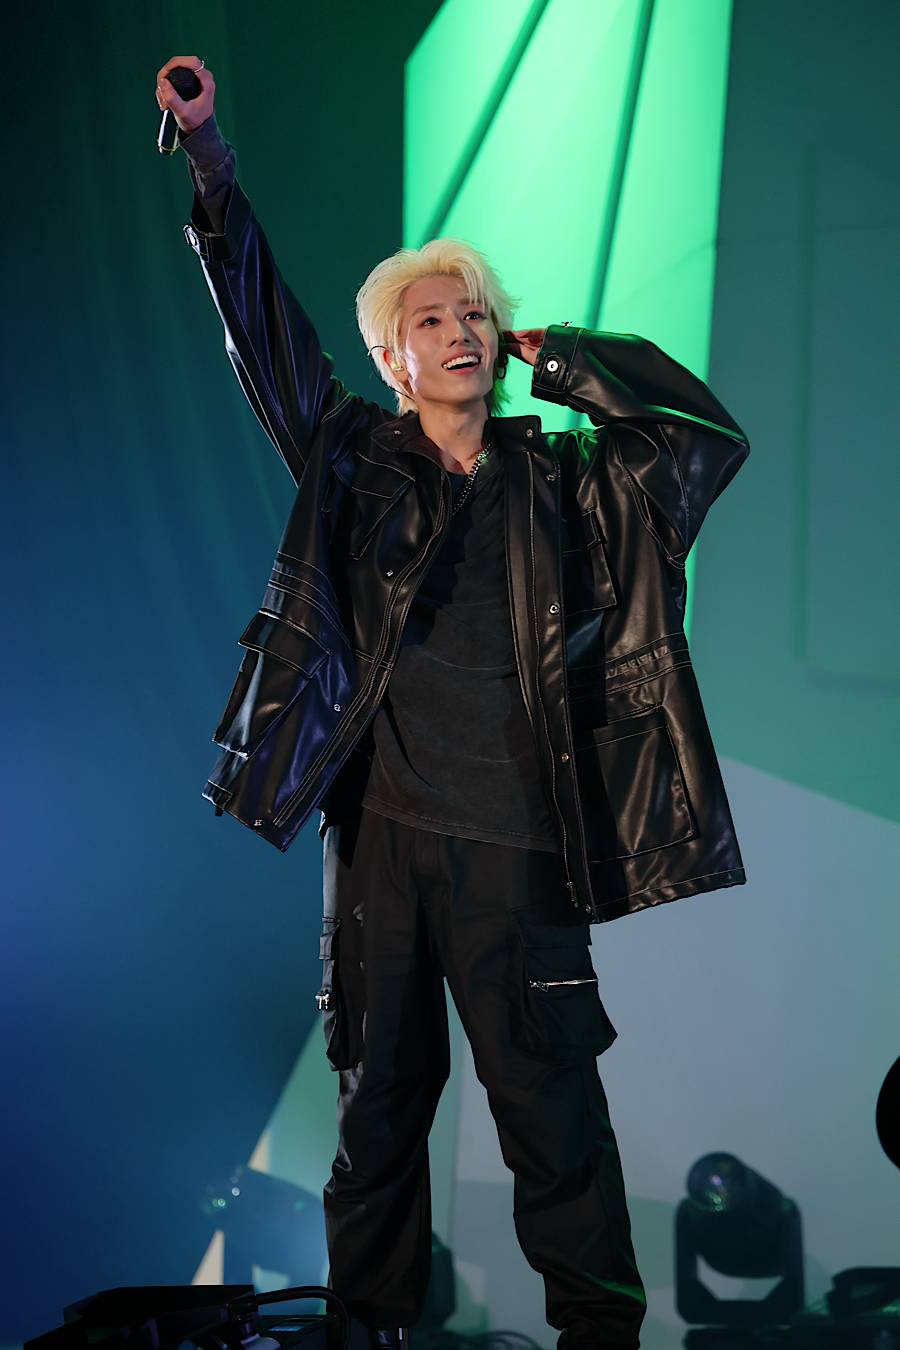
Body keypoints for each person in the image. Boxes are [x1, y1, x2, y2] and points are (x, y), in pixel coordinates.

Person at [156, 53, 748, 1350]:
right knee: (375, 1122)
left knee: (555, 1122)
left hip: (519, 845)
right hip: (380, 842)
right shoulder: (351, 457)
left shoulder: (570, 481)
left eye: (476, 314)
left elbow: (703, 442)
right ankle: (370, 1334)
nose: (462, 331)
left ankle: (600, 1336)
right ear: (393, 355)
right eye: (433, 320)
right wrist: (211, 165)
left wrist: (565, 358)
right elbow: (266, 334)